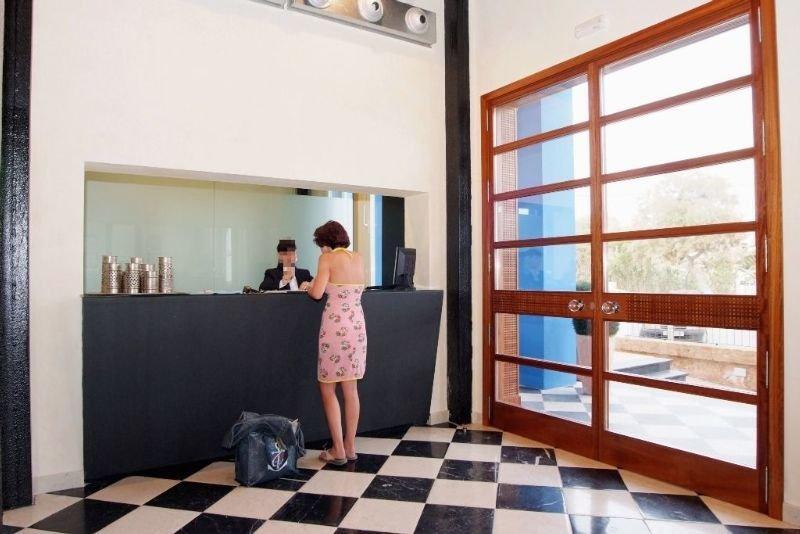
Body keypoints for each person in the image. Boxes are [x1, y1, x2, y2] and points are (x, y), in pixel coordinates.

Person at [306, 221, 367, 466]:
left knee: (328, 388)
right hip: (357, 328)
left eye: (320, 244)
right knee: (351, 389)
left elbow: (317, 293)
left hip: (335, 329)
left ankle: (337, 449)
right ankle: (350, 446)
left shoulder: (327, 258)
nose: (321, 249)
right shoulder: (358, 258)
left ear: (326, 242)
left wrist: (308, 286)